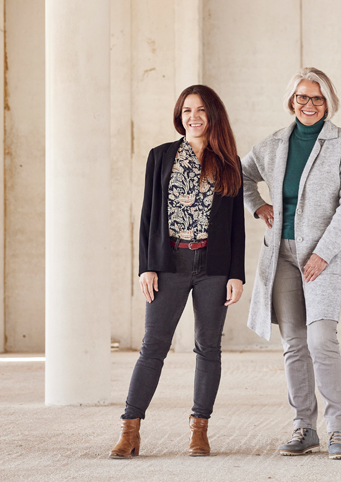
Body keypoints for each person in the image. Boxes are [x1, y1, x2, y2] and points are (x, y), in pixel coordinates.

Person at [109, 85, 245, 459]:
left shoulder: (228, 161)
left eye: (200, 110)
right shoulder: (161, 156)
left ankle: (199, 430)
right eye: (187, 110)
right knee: (152, 347)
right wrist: (146, 267)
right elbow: (147, 218)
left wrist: (237, 274)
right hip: (169, 264)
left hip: (214, 268)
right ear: (179, 115)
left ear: (213, 115)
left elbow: (236, 226)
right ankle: (129, 430)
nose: (193, 117)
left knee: (208, 347)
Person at [242, 68, 341, 460]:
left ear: (328, 102)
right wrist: (257, 205)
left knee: (321, 340)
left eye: (317, 98)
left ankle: (338, 431)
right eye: (302, 97)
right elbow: (241, 174)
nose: (308, 105)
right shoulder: (275, 144)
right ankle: (304, 426)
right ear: (291, 100)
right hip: (281, 253)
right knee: (294, 342)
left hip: (323, 257)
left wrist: (323, 253)